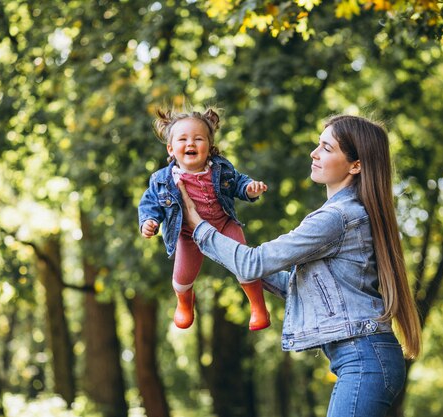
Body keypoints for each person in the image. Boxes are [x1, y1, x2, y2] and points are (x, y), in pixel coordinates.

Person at [177, 114, 421, 417]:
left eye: (326, 148)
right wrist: (237, 254)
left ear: (355, 165)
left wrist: (198, 225)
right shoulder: (348, 213)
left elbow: (253, 263)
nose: (314, 153)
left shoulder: (336, 218)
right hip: (366, 357)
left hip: (364, 360)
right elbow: (289, 281)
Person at [138, 106, 271, 331]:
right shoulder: (163, 179)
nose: (190, 143)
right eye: (183, 139)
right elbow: (150, 203)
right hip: (188, 234)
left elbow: (238, 183)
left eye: (198, 139)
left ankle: (258, 307)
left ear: (209, 147)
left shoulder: (220, 168)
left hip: (224, 224)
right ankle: (185, 303)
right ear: (171, 149)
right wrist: (149, 221)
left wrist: (249, 189)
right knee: (182, 278)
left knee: (245, 264)